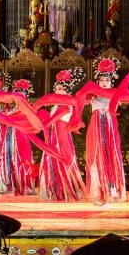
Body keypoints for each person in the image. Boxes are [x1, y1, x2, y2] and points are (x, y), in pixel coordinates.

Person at [80, 55, 128, 205]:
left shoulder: (116, 93)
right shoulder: (92, 93)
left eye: (107, 80)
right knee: (97, 154)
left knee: (110, 154)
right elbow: (79, 98)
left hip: (110, 127)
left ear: (112, 81)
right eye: (101, 80)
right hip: (96, 126)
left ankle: (111, 188)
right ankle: (98, 191)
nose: (104, 82)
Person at [35, 68, 85, 202]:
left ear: (67, 90)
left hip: (61, 135)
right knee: (52, 158)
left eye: (61, 89)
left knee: (63, 157)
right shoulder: (57, 105)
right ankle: (55, 190)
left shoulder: (66, 104)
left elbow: (57, 117)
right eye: (57, 89)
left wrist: (45, 123)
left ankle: (66, 190)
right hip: (54, 135)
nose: (58, 91)